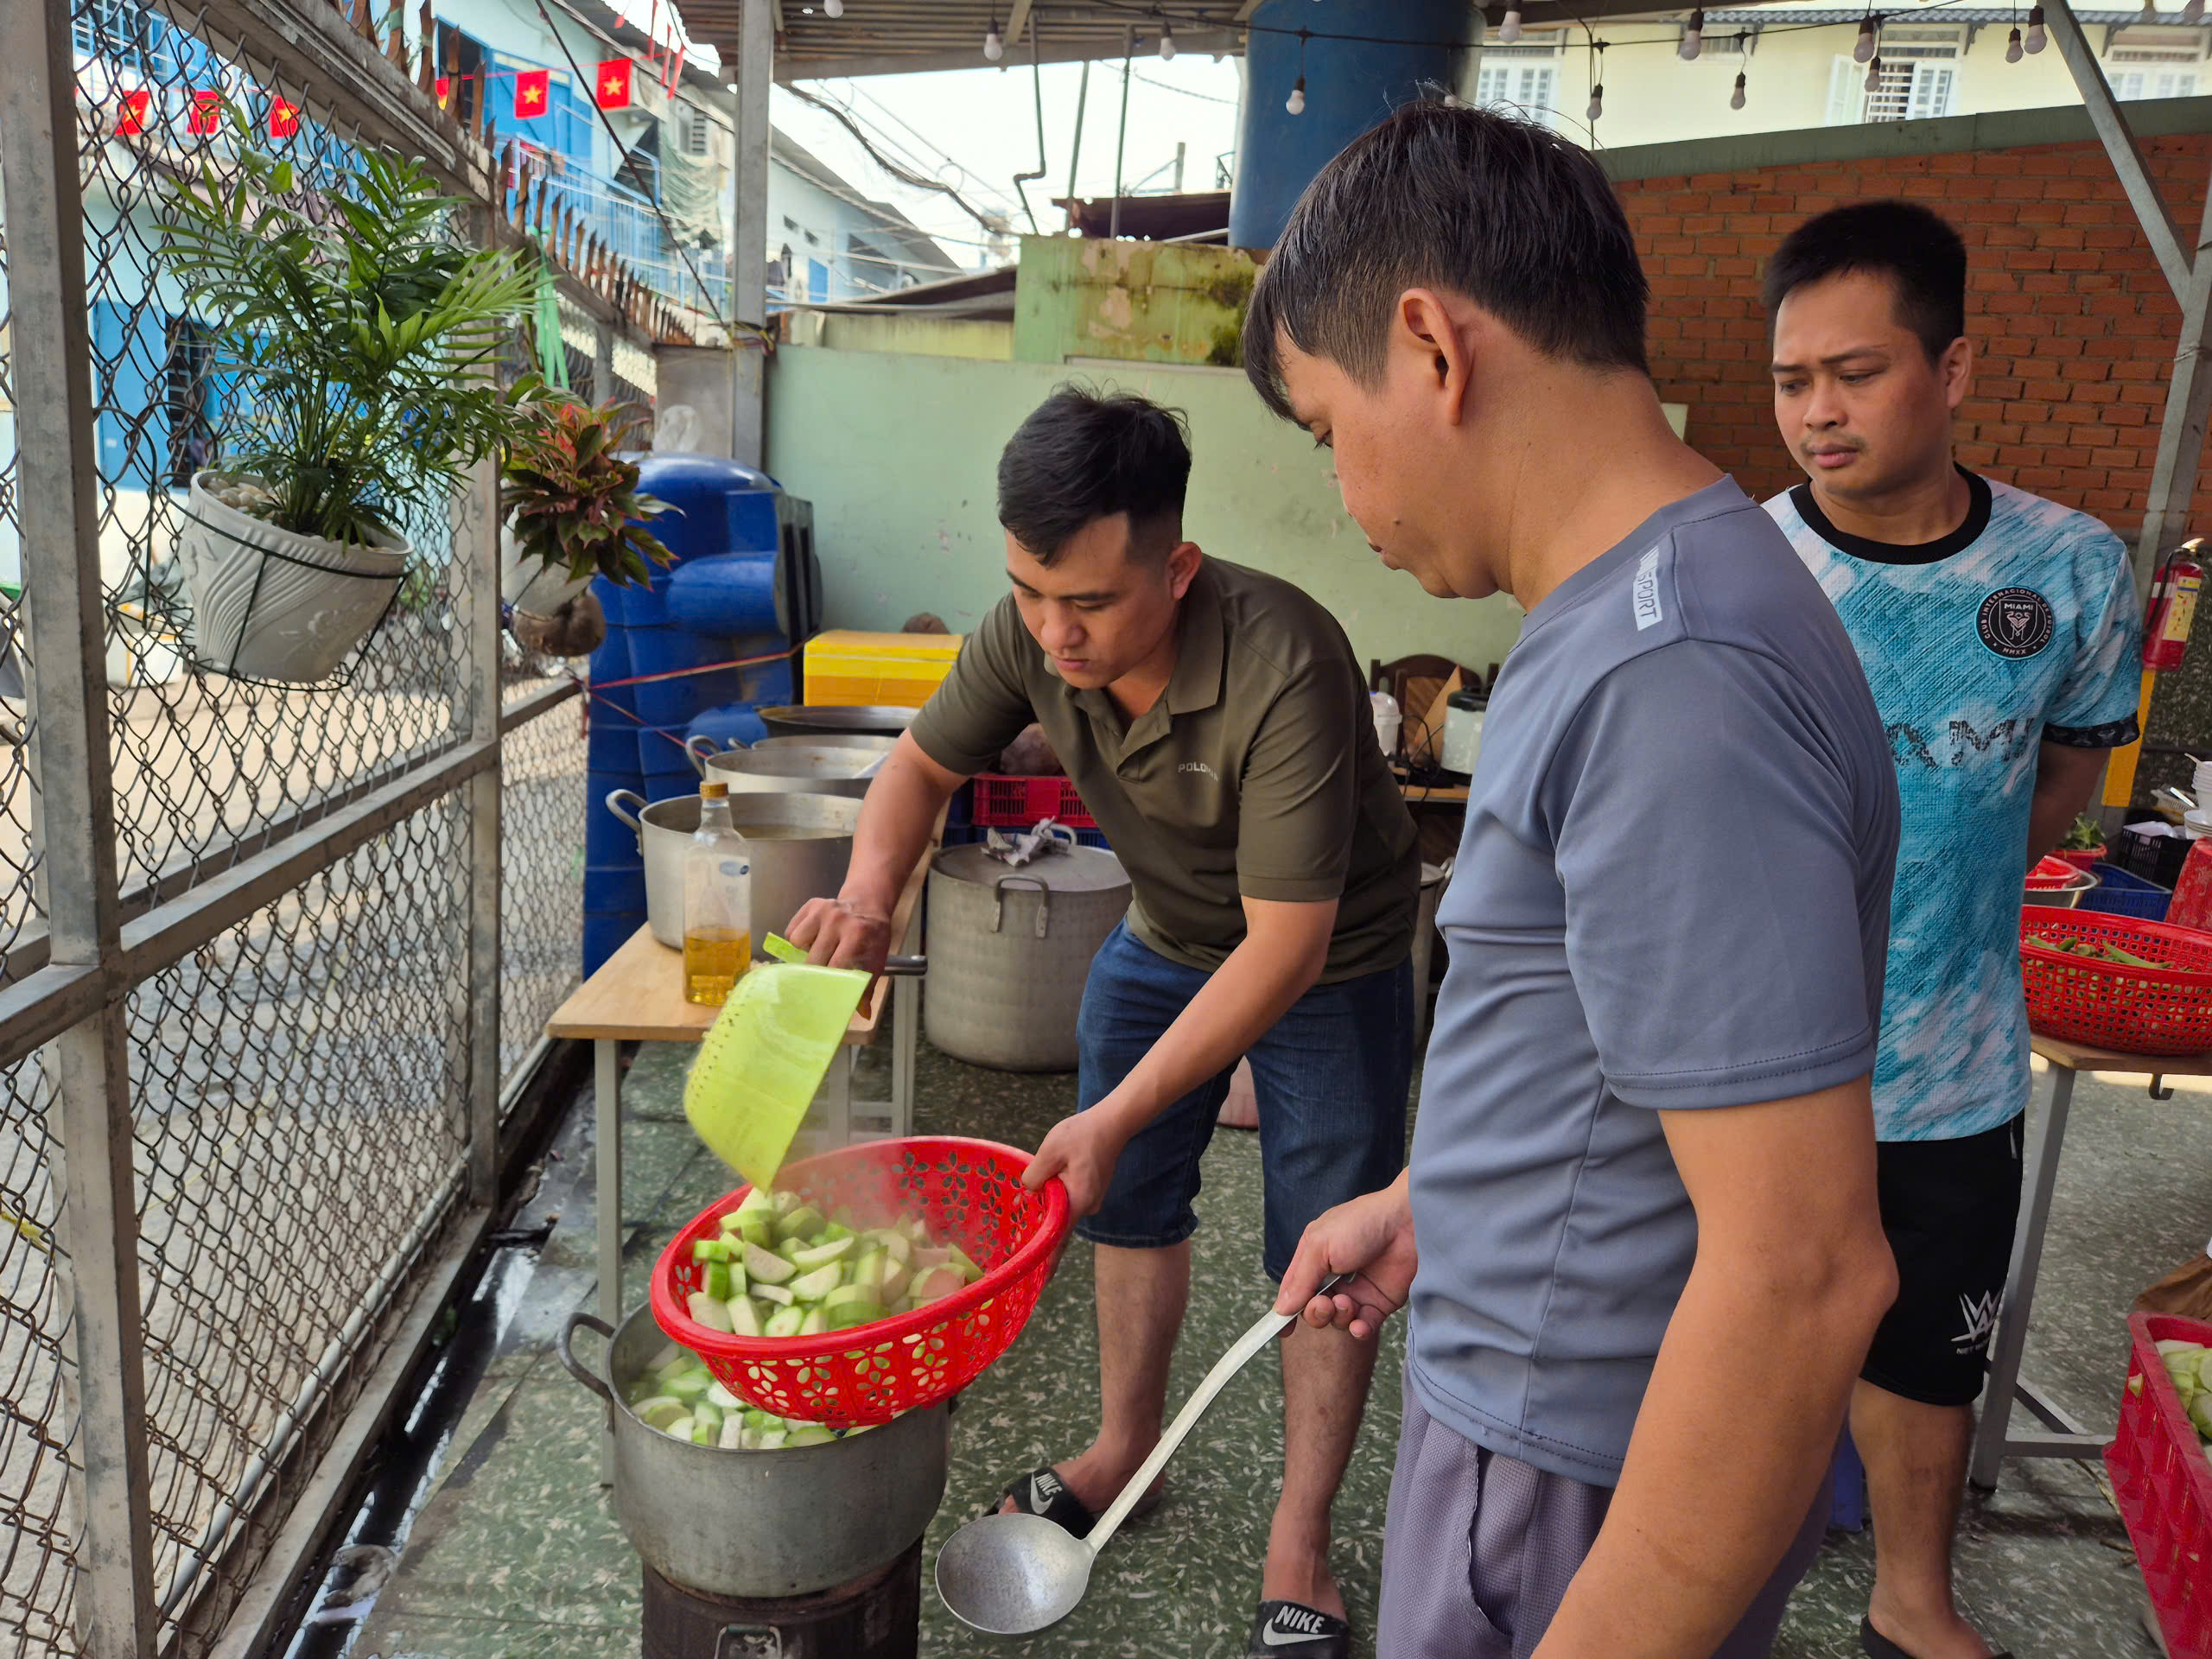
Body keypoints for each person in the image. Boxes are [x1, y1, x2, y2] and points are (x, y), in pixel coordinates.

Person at [1255, 102, 1904, 1658]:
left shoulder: (1669, 673)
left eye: (1328, 430)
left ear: (1430, 347)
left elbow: (1803, 1276)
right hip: (1550, 1409)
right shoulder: (1644, 603)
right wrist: (1443, 1207)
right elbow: (1629, 1049)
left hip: (1570, 1483)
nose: (1346, 493)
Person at [786, 385, 1421, 1659]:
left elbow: (1283, 949)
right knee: (1122, 1199)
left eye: (1087, 602)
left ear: (1176, 568)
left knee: (1325, 1254)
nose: (1052, 632)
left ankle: (1298, 1533)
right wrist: (867, 901)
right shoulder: (1028, 630)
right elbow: (918, 768)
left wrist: (1117, 1110)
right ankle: (1128, 1449)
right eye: (1030, 591)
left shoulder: (1286, 659)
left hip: (1328, 959)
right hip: (1167, 937)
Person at [1762, 200, 2143, 1659]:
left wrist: (1946, 893)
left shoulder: (2070, 571)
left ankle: (1911, 1602)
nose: (1817, 413)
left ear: (1957, 367)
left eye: (1854, 373)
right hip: (1761, 1060)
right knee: (1732, 1331)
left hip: (1951, 1057)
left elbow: (2063, 774)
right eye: (1796, 381)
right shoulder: (1750, 570)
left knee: (1931, 1354)